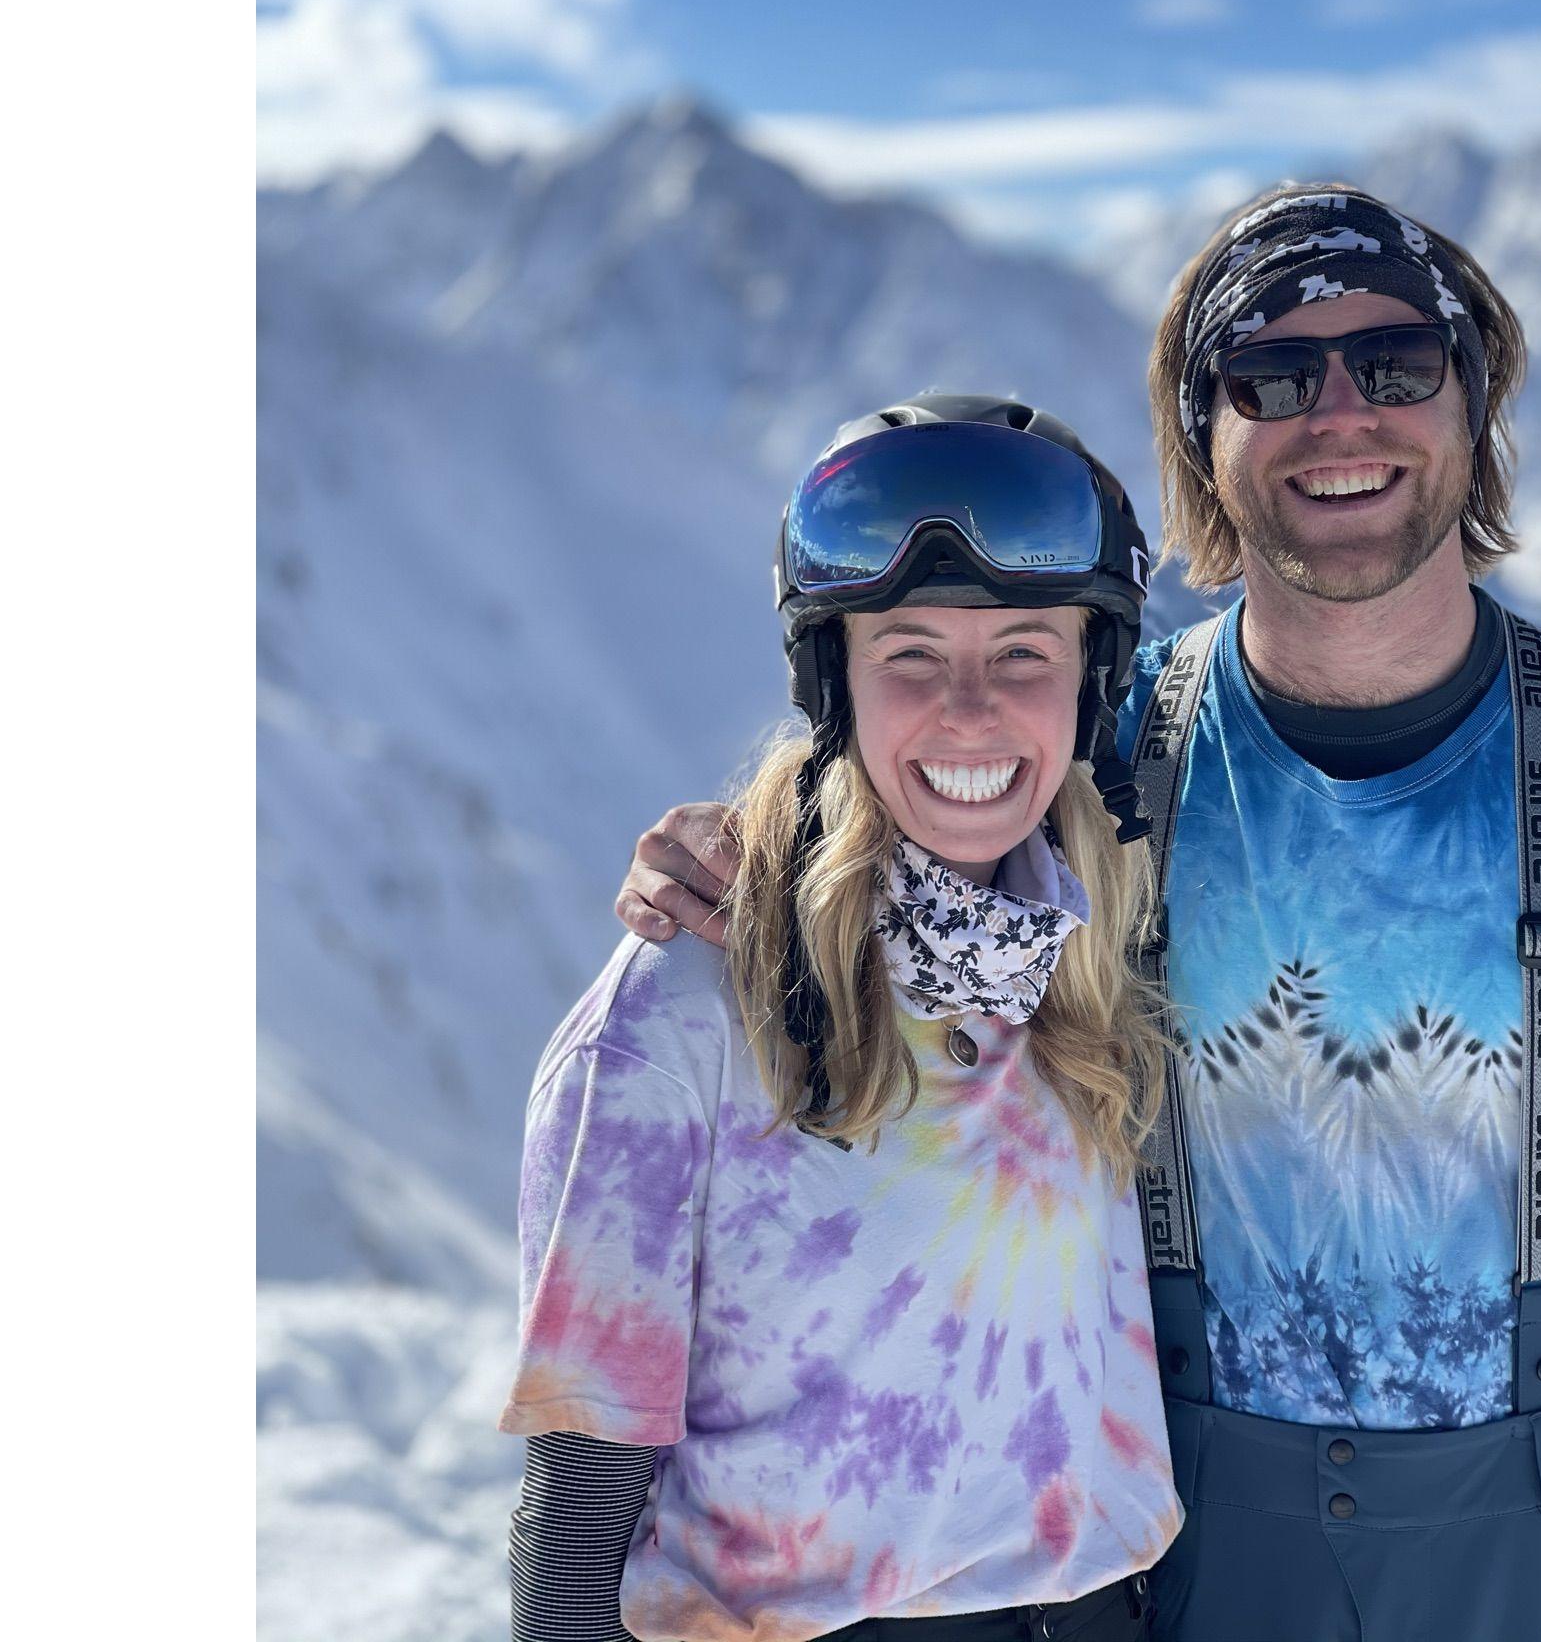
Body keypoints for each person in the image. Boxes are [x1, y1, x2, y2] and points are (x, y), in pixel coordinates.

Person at [617, 186, 1541, 1642]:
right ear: (1203, 441)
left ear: (1475, 406)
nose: (1342, 414)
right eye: (1273, 377)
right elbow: (902, 827)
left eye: (1402, 364)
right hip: (1181, 1541)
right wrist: (755, 843)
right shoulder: (1099, 758)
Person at [501, 396, 1186, 1642]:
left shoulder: (1086, 951)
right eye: (908, 654)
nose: (969, 708)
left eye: (1025, 651)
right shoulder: (688, 1004)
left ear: (1089, 690)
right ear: (836, 683)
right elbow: (585, 1476)